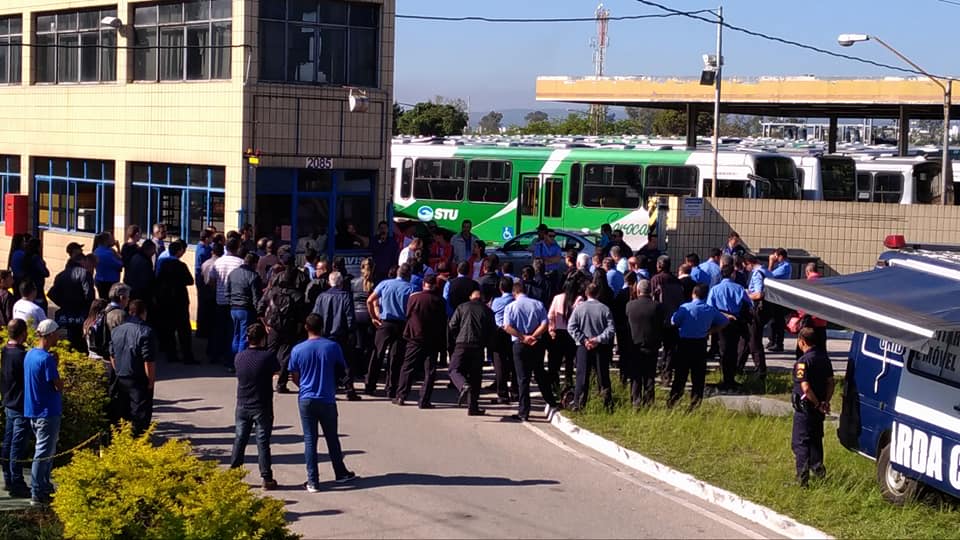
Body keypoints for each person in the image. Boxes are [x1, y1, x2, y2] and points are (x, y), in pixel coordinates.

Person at [289, 314, 356, 492]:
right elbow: (342, 369)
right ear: (322, 327)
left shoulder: (297, 350)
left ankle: (313, 480)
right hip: (327, 397)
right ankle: (340, 472)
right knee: (332, 437)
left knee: (310, 440)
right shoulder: (332, 347)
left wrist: (303, 385)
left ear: (306, 327)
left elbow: (294, 375)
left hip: (306, 398)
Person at [230, 323, 280, 491]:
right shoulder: (267, 357)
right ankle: (266, 477)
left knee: (240, 439)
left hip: (243, 403)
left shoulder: (239, 357)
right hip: (262, 405)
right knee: (262, 442)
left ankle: (234, 474)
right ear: (263, 339)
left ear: (247, 339)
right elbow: (276, 371)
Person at [503, 282, 558, 422]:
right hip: (536, 342)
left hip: (519, 343)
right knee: (540, 373)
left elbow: (507, 326)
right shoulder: (538, 304)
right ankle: (551, 401)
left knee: (523, 378)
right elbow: (545, 324)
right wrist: (533, 336)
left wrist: (523, 337)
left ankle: (524, 412)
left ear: (515, 293)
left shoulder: (510, 307)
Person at [669, 284, 728, 410]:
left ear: (693, 293)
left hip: (684, 344)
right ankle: (695, 404)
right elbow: (724, 321)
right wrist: (711, 330)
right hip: (700, 344)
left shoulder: (685, 307)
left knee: (680, 375)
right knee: (698, 377)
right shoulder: (710, 309)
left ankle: (673, 401)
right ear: (705, 296)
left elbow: (674, 321)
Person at [23, 319, 63, 505]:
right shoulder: (46, 359)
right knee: (44, 453)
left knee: (46, 451)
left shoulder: (30, 355)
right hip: (47, 412)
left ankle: (44, 487)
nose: (58, 337)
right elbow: (57, 384)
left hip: (35, 410)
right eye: (56, 334)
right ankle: (37, 492)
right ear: (49, 335)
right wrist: (56, 365)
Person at [395, 274, 447, 408]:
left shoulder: (414, 298)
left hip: (415, 337)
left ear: (424, 283)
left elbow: (408, 314)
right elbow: (443, 320)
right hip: (432, 339)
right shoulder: (439, 300)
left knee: (407, 367)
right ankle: (424, 400)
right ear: (435, 284)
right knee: (429, 370)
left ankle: (401, 395)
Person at [791, 327, 835, 487]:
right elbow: (831, 382)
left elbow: (805, 388)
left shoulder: (803, 362)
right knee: (816, 441)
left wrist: (816, 404)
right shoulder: (824, 358)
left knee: (800, 443)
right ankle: (819, 473)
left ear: (802, 341)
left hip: (806, 408)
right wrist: (825, 402)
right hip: (819, 408)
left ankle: (801, 481)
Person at [365, 263, 415, 398]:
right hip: (401, 325)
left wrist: (374, 317)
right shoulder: (411, 288)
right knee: (396, 357)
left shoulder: (385, 284)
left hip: (385, 322)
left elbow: (370, 300)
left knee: (377, 354)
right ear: (409, 275)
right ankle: (391, 388)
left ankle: (370, 385)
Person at [109, 300, 157, 437]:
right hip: (138, 379)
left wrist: (117, 370)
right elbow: (148, 360)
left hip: (120, 376)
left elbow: (112, 354)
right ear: (143, 313)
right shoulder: (146, 331)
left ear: (130, 311)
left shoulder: (117, 330)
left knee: (122, 412)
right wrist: (151, 380)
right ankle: (137, 441)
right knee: (140, 414)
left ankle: (122, 438)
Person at [567, 283, 616, 411]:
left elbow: (571, 327)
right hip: (600, 347)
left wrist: (583, 339)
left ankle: (579, 403)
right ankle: (607, 404)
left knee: (582, 376)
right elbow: (611, 329)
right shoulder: (604, 309)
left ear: (586, 293)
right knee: (603, 376)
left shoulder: (579, 308)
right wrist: (598, 339)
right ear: (598, 293)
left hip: (583, 347)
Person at [259, 264, 308, 394]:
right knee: (286, 356)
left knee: (269, 354)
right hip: (289, 328)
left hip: (273, 327)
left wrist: (265, 324)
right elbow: (302, 316)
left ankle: (264, 382)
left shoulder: (272, 291)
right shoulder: (298, 295)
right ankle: (281, 384)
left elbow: (260, 307)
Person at [313, 271, 361, 401]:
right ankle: (349, 389)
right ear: (341, 283)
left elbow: (315, 317)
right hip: (341, 335)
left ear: (330, 282)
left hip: (325, 335)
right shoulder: (345, 296)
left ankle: (330, 389)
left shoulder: (321, 297)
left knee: (327, 363)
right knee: (346, 363)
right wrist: (352, 332)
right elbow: (350, 317)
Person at [448, 289, 496, 416]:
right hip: (478, 346)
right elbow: (492, 331)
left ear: (471, 297)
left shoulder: (462, 307)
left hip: (462, 343)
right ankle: (473, 406)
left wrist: (457, 337)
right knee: (475, 376)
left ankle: (462, 385)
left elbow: (452, 325)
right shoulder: (488, 311)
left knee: (454, 369)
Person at [706, 265, 753, 391]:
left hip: (721, 322)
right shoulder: (739, 288)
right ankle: (731, 378)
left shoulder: (715, 289)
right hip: (736, 322)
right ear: (732, 274)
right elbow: (749, 304)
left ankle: (725, 379)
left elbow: (710, 307)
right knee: (733, 350)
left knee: (723, 350)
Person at [1, 319, 30, 498]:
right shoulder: (21, 355)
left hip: (9, 401)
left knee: (9, 441)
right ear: (23, 333)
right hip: (19, 404)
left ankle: (8, 478)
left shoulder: (6, 350)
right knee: (17, 445)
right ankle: (16, 482)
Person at [155, 240, 196, 364]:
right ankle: (187, 356)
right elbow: (190, 280)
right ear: (178, 251)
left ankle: (171, 355)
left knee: (169, 329)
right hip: (180, 300)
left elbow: (157, 280)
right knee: (184, 329)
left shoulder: (162, 264)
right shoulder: (180, 265)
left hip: (166, 301)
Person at [625, 280, 663, 408]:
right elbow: (660, 323)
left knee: (636, 375)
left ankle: (636, 401)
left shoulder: (630, 306)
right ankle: (649, 402)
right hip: (652, 344)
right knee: (649, 375)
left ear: (638, 291)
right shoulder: (657, 306)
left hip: (634, 345)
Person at [48, 251, 95, 353]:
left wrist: (63, 303)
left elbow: (52, 293)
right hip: (81, 312)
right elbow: (89, 295)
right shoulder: (85, 273)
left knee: (70, 337)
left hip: (67, 311)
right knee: (80, 339)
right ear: (83, 261)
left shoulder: (61, 275)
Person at [213, 238, 244, 368]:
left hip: (220, 300)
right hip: (234, 301)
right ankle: (231, 358)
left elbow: (211, 280)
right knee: (233, 332)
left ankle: (219, 355)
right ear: (237, 247)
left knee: (220, 329)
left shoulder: (218, 262)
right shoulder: (240, 263)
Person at [548, 278, 582, 393]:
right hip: (571, 334)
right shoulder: (578, 299)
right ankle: (568, 385)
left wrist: (551, 328)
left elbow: (550, 315)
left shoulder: (557, 298)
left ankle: (554, 384)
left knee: (555, 361)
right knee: (569, 362)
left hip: (558, 332)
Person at [226, 252, 263, 359]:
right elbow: (256, 297)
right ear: (254, 263)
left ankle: (232, 361)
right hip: (246, 309)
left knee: (235, 336)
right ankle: (240, 361)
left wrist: (231, 302)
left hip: (233, 308)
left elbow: (227, 291)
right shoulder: (253, 276)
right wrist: (259, 312)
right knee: (244, 337)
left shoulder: (233, 273)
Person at [491, 277, 518, 403]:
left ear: (500, 288)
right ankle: (515, 391)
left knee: (499, 364)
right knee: (514, 362)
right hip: (513, 332)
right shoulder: (515, 301)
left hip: (499, 332)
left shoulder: (496, 301)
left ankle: (502, 394)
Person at [742, 254, 770, 376]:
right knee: (747, 338)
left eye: (745, 266)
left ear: (749, 263)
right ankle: (738, 365)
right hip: (767, 310)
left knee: (754, 339)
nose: (746, 269)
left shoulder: (757, 274)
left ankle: (760, 369)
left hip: (757, 309)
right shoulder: (767, 272)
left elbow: (759, 294)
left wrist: (746, 295)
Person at [767, 248, 792, 352]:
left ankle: (778, 343)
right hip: (776, 296)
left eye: (776, 256)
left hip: (780, 297)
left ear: (781, 256)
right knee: (773, 320)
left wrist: (771, 262)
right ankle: (772, 341)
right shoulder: (781, 266)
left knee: (778, 320)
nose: (775, 258)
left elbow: (768, 275)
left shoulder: (785, 267)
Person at [123, 239, 156, 306]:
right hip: (141, 293)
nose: (154, 252)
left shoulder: (135, 256)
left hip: (132, 290)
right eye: (153, 250)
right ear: (148, 249)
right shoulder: (144, 261)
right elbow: (147, 280)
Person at [93, 232, 123, 300]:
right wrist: (118, 249)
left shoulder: (96, 251)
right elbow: (120, 264)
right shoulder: (108, 253)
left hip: (99, 280)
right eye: (111, 239)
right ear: (106, 241)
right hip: (109, 281)